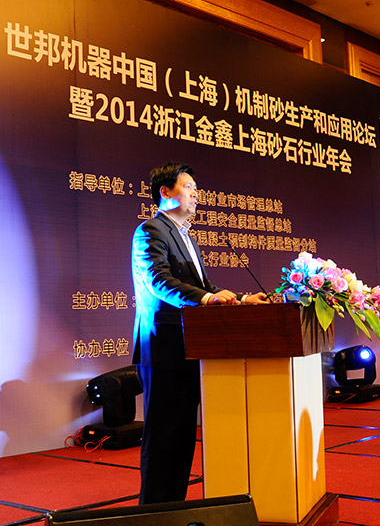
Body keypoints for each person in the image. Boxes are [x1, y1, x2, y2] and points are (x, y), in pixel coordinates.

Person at [131, 161, 268, 504]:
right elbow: (159, 281)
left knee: (180, 438)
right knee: (163, 438)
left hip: (190, 347)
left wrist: (242, 299)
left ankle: (173, 508)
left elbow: (204, 287)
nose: (196, 194)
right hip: (163, 348)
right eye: (188, 187)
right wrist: (207, 299)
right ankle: (154, 514)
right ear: (165, 192)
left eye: (195, 188)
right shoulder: (151, 230)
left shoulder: (186, 237)